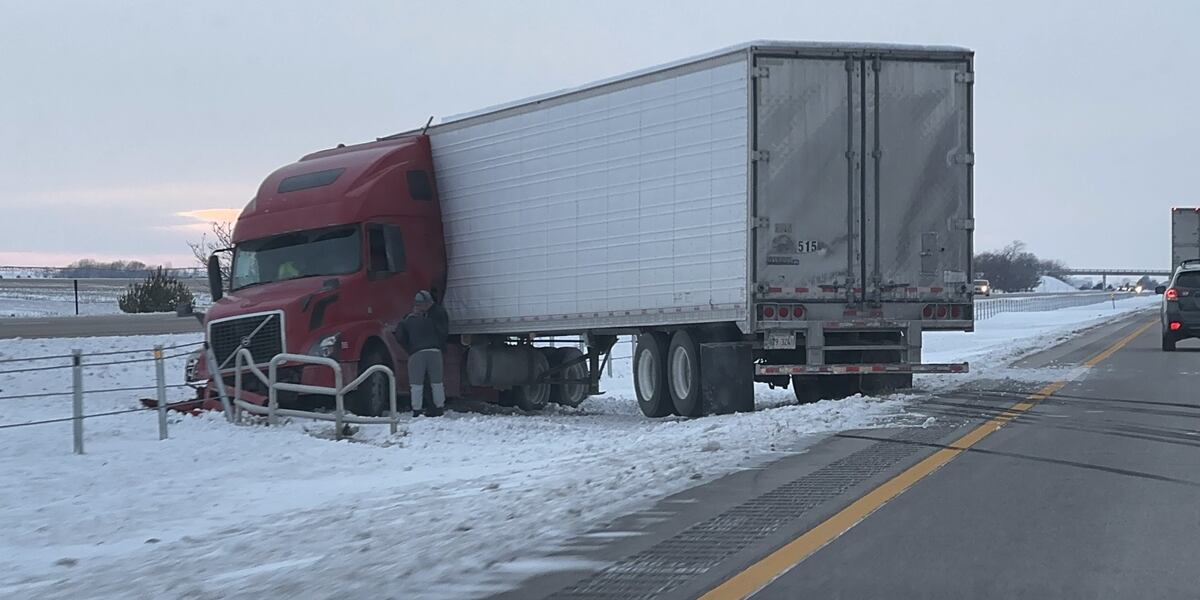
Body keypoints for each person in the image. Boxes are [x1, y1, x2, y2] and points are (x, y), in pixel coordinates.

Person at [394, 290, 449, 417]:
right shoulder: (433, 317)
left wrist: (409, 348)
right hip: (435, 351)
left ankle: (417, 410)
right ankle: (439, 407)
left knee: (416, 383)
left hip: (416, 353)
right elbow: (442, 333)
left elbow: (400, 335)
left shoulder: (408, 320)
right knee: (437, 382)